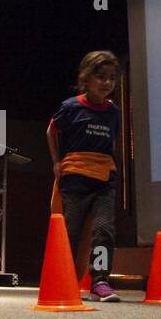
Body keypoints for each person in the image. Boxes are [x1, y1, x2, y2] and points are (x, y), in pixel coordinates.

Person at [47, 51, 122, 302]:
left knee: (104, 230)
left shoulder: (113, 112)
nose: (107, 83)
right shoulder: (71, 107)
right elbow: (51, 131)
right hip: (75, 178)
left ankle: (100, 281)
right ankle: (64, 278)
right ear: (86, 79)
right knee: (71, 231)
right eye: (101, 77)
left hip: (104, 180)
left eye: (111, 78)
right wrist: (57, 162)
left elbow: (113, 141)